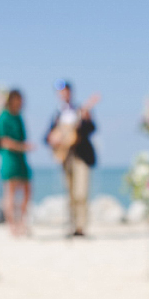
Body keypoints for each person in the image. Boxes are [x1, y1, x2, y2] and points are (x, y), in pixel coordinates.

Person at [45, 80, 100, 237]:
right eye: (61, 91)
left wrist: (86, 121)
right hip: (65, 158)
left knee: (81, 192)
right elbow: (47, 137)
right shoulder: (57, 114)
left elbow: (92, 129)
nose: (64, 94)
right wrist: (53, 140)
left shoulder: (80, 110)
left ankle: (81, 227)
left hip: (81, 156)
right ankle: (72, 225)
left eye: (66, 91)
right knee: (70, 193)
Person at [0, 89, 36, 236]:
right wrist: (22, 147)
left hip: (21, 158)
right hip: (10, 158)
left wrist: (23, 147)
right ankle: (12, 225)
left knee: (27, 190)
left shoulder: (18, 116)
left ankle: (22, 221)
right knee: (11, 191)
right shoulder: (4, 117)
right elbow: (3, 141)